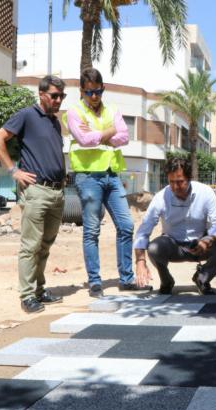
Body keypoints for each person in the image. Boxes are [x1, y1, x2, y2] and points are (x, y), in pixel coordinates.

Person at [64, 68, 149, 297]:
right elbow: (84, 139)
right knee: (91, 230)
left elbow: (124, 136)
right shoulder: (74, 112)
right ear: (81, 91)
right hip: (88, 177)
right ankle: (95, 282)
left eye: (98, 91)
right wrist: (110, 131)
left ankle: (126, 278)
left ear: (103, 89)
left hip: (112, 176)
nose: (94, 96)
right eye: (90, 92)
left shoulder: (112, 109)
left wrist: (101, 134)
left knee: (126, 225)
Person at [0, 75, 67, 313]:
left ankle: (39, 290)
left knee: (45, 245)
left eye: (61, 96)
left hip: (56, 193)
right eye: (54, 96)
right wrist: (13, 170)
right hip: (37, 191)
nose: (58, 100)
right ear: (41, 94)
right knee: (30, 245)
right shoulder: (27, 115)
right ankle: (26, 295)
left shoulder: (54, 121)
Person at [133, 157, 216, 295]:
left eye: (180, 182)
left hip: (201, 245)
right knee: (153, 248)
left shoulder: (205, 192)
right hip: (173, 246)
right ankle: (167, 281)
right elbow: (143, 230)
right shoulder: (161, 197)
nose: (175, 187)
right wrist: (140, 261)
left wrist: (207, 240)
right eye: (171, 182)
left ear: (190, 178)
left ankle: (202, 278)